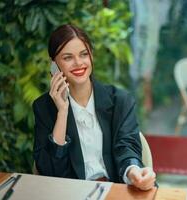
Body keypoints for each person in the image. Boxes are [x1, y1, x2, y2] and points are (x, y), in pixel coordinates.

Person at [32, 24, 156, 191]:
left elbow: (127, 147)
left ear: (91, 56)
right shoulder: (44, 108)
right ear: (54, 65)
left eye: (83, 54)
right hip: (72, 194)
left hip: (116, 190)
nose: (78, 63)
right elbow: (50, 173)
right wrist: (62, 112)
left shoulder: (120, 100)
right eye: (67, 57)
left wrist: (133, 171)